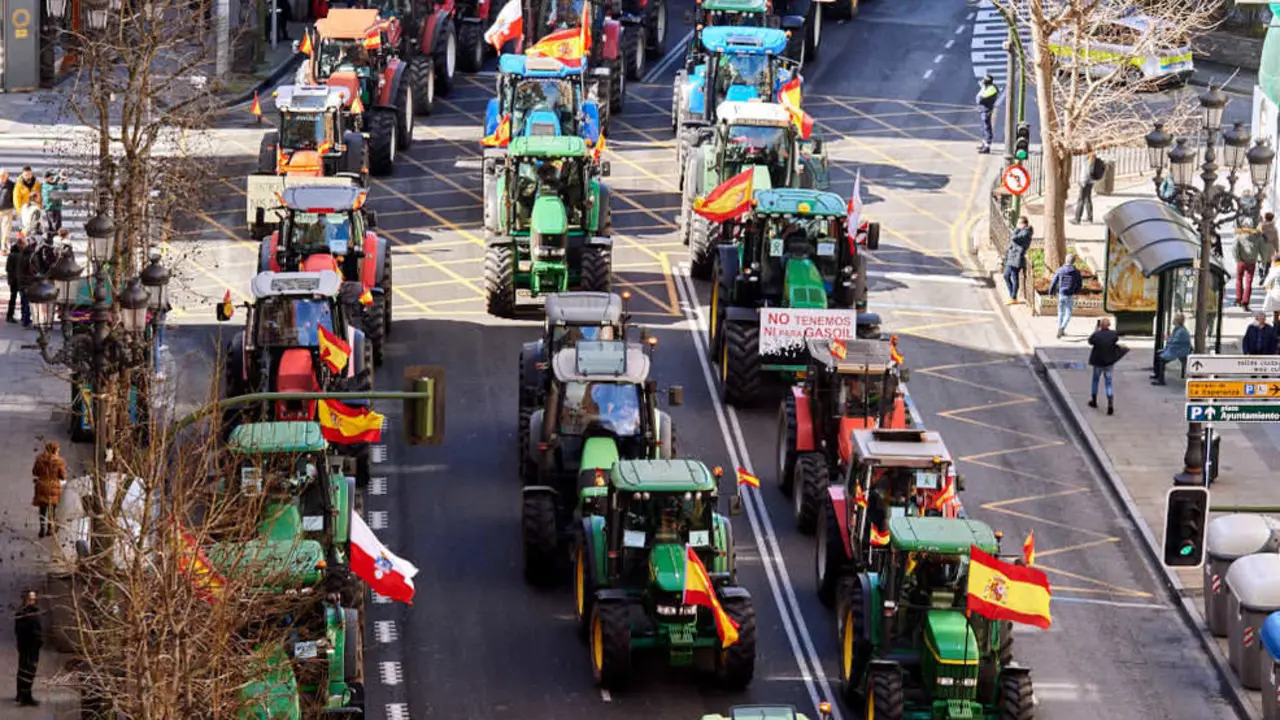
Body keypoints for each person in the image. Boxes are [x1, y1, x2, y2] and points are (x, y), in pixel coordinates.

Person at [1087, 317, 1125, 415]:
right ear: (1109, 325)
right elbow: (1116, 339)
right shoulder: (1113, 335)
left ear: (1100, 325)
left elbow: (1090, 341)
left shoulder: (1097, 335)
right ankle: (1110, 403)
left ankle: (1094, 400)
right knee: (1108, 383)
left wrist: (1096, 330)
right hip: (1108, 363)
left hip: (1098, 362)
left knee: (1095, 380)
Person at [32, 441, 66, 539]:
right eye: (58, 450)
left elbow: (35, 472)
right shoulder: (59, 461)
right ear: (55, 451)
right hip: (54, 487)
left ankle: (41, 529)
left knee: (42, 509)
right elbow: (63, 476)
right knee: (52, 509)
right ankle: (50, 529)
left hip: (41, 486)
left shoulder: (39, 459)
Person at [14, 589, 41, 707]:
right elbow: (25, 631)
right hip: (29, 646)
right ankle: (25, 696)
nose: (33, 601)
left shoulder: (24, 612)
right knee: (28, 671)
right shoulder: (27, 614)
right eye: (30, 599)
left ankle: (21, 694)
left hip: (27, 645)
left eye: (34, 599)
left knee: (23, 669)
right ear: (25, 599)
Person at [1048, 253, 1083, 338]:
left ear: (1065, 260)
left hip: (1061, 293)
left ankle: (1060, 328)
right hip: (1070, 294)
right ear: (1073, 261)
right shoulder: (1076, 272)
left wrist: (1050, 293)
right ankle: (1062, 328)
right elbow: (1079, 284)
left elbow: (1054, 282)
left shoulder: (1060, 270)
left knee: (1060, 312)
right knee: (1068, 313)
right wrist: (1076, 291)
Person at [1234, 223, 1267, 312]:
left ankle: (1238, 299)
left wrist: (1238, 259)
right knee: (1249, 283)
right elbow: (1263, 251)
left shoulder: (1239, 236)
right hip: (1251, 263)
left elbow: (1234, 249)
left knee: (1239, 279)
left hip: (1241, 262)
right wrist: (1263, 260)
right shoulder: (1258, 237)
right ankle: (1245, 302)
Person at [1151, 313, 1191, 385]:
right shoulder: (1178, 329)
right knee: (1159, 355)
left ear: (1177, 321)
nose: (1173, 320)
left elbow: (1174, 342)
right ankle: (1158, 375)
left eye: (1174, 319)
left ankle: (1161, 380)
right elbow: (1173, 341)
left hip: (1179, 351)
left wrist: (1167, 339)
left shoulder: (1181, 331)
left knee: (1161, 359)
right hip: (1176, 349)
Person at [1003, 216, 1032, 303]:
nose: (1017, 225)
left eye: (1019, 223)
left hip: (1017, 258)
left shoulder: (1026, 233)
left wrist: (1017, 229)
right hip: (1011, 258)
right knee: (1006, 276)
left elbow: (1014, 238)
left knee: (1015, 278)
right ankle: (1012, 295)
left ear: (1024, 224)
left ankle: (1013, 297)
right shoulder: (1021, 232)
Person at [1074, 152, 1105, 224]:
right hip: (1091, 181)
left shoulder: (1087, 159)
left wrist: (1082, 181)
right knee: (1088, 199)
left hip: (1085, 182)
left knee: (1081, 199)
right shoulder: (1094, 158)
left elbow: (1085, 172)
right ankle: (1089, 218)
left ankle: (1077, 218)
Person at [5, 236, 30, 326]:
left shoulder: (11, 255)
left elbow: (8, 268)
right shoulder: (20, 255)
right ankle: (24, 317)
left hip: (13, 280)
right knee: (23, 298)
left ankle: (10, 315)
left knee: (13, 298)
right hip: (19, 280)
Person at [975, 76, 999, 154]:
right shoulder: (986, 87)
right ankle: (984, 143)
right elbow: (978, 97)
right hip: (983, 109)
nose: (983, 81)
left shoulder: (991, 89)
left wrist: (979, 98)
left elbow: (980, 99)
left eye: (984, 80)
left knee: (987, 127)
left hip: (987, 109)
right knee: (984, 127)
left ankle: (987, 147)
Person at [1263, 254, 1280, 325]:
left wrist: (1268, 290)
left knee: (1276, 312)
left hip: (1276, 295)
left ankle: (1276, 329)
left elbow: (1266, 284)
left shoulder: (1274, 270)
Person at [0, 170, 14, 253]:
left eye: (3, 176)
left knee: (6, 229)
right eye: (1, 176)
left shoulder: (11, 185)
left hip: (7, 210)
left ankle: (4, 247)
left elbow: (15, 196)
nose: (2, 178)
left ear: (7, 176)